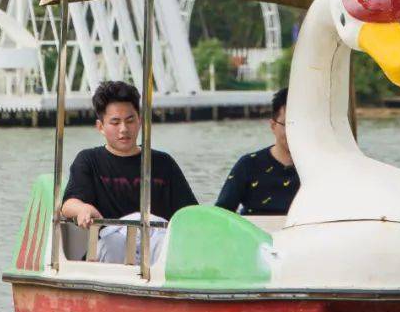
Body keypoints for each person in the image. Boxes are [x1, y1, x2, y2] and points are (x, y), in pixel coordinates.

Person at [60, 79, 197, 262]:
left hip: (155, 249)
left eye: (130, 120)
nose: (124, 129)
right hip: (110, 249)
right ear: (100, 127)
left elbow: (189, 214)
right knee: (114, 245)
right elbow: (69, 204)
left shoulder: (163, 163)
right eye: (115, 122)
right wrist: (83, 208)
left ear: (140, 121)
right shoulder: (89, 160)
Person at [215, 86, 300, 215]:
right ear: (273, 125)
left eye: (300, 125)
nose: (293, 132)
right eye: (288, 124)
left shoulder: (320, 167)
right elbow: (221, 215)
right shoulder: (248, 164)